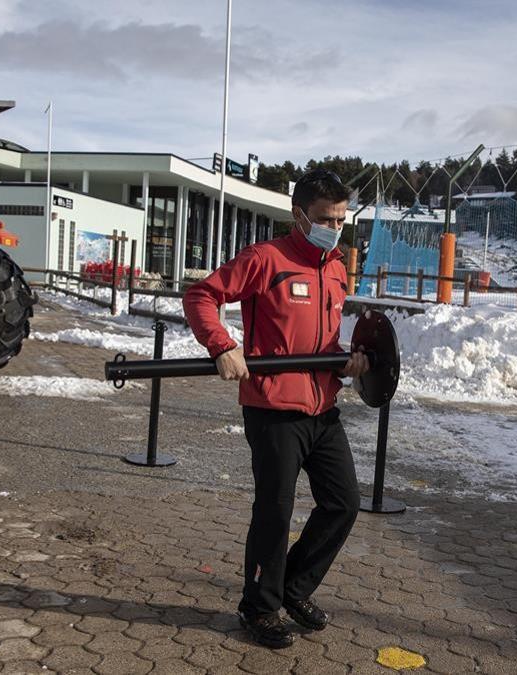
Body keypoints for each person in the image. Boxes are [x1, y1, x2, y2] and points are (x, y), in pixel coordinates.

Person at [183, 168, 369, 649]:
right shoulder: (266, 258)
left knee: (343, 502)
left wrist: (348, 360)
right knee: (275, 511)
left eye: (342, 220)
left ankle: (293, 588)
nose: (335, 228)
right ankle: (259, 608)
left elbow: (323, 337)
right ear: (299, 214)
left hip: (323, 409)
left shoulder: (335, 266)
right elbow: (202, 295)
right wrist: (222, 344)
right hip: (272, 409)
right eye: (327, 219)